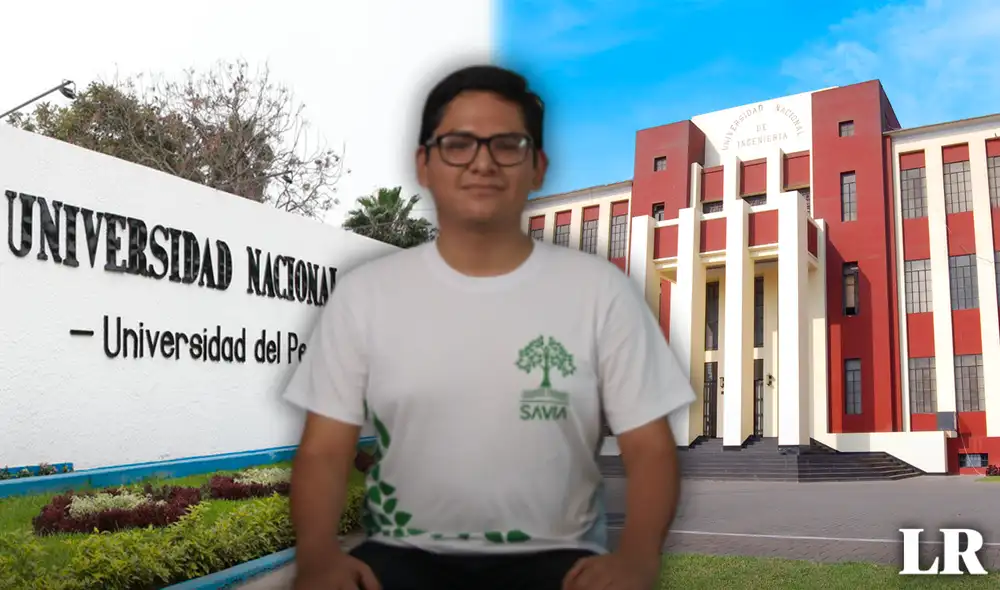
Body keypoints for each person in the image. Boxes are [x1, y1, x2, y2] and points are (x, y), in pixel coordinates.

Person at [283, 64, 695, 590]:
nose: (482, 162)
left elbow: (650, 448)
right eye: (458, 143)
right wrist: (317, 555)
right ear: (424, 164)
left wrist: (637, 557)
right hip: (400, 559)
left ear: (538, 166)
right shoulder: (366, 295)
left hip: (558, 562)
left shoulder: (599, 292)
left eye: (507, 144)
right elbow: (323, 449)